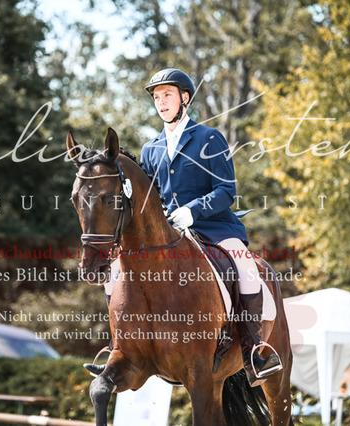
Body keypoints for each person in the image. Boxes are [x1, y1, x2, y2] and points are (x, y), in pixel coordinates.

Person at [83, 68, 282, 386]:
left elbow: (226, 191)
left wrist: (193, 211)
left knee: (244, 265)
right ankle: (119, 347)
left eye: (168, 95)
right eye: (157, 97)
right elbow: (149, 197)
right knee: (116, 272)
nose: (161, 102)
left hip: (214, 228)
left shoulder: (209, 138)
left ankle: (254, 350)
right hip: (169, 233)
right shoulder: (151, 149)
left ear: (184, 98)